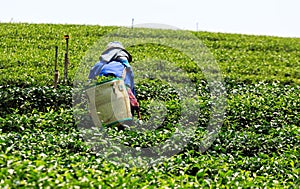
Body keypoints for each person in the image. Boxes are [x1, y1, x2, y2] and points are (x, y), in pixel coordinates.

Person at [88, 41, 142, 123]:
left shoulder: (98, 65)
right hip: (119, 101)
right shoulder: (126, 67)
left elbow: (89, 84)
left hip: (99, 99)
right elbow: (129, 89)